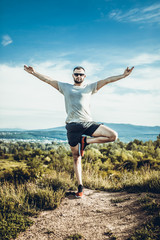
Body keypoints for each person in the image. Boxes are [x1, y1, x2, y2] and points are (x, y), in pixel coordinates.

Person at [24, 64, 134, 198]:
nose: (79, 76)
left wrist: (123, 75)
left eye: (81, 74)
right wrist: (34, 72)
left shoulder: (90, 88)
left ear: (84, 76)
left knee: (113, 136)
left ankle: (85, 140)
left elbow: (107, 80)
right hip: (72, 126)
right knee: (76, 157)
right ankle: (80, 187)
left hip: (88, 123)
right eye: (76, 74)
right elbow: (48, 80)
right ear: (73, 75)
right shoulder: (65, 87)